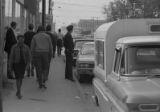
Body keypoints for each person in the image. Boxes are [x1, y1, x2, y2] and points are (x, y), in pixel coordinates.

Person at [9, 35, 31, 99]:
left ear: (24, 40)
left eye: (22, 39)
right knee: (18, 78)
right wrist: (10, 67)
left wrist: (27, 66)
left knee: (21, 78)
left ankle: (18, 91)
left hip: (23, 64)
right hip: (16, 64)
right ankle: (19, 92)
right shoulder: (14, 47)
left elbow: (29, 57)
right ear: (17, 39)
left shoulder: (26, 47)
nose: (21, 40)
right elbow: (11, 57)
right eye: (20, 39)